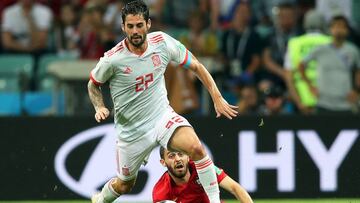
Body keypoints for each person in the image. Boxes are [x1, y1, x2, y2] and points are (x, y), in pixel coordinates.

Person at [88, 1, 238, 203]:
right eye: (130, 26)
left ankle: (214, 201)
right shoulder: (112, 60)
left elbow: (196, 65)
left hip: (161, 116)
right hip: (131, 131)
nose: (135, 31)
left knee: (196, 149)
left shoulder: (162, 42)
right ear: (123, 27)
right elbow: (93, 84)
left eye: (139, 25)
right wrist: (99, 106)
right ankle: (100, 200)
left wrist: (217, 97)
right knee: (125, 184)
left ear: (148, 24)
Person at [299, 15, 360, 114]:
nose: (338, 30)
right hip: (324, 102)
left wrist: (357, 91)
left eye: (342, 27)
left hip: (346, 103)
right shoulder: (320, 49)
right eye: (335, 26)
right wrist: (310, 86)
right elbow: (301, 65)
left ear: (347, 31)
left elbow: (358, 72)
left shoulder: (353, 51)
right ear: (330, 29)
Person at [153, 147, 253, 203]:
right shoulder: (160, 192)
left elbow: (235, 188)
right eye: (171, 156)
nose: (178, 159)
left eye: (181, 154)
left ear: (188, 157)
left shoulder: (203, 168)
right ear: (163, 162)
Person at [283, 10, 331, 114]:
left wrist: (299, 102)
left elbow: (288, 77)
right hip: (327, 100)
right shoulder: (330, 42)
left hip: (302, 98)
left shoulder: (294, 43)